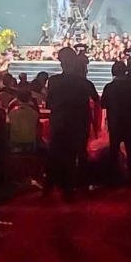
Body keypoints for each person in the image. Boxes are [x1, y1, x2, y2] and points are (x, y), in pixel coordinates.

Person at [45, 47, 99, 199]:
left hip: (59, 121)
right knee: (79, 153)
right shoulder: (84, 82)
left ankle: (50, 186)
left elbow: (49, 103)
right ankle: (78, 185)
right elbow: (96, 99)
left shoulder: (53, 81)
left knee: (55, 154)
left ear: (61, 63)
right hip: (79, 123)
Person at [101, 60, 131, 184]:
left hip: (115, 123)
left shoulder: (109, 87)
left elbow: (103, 104)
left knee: (114, 151)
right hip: (129, 122)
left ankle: (113, 178)